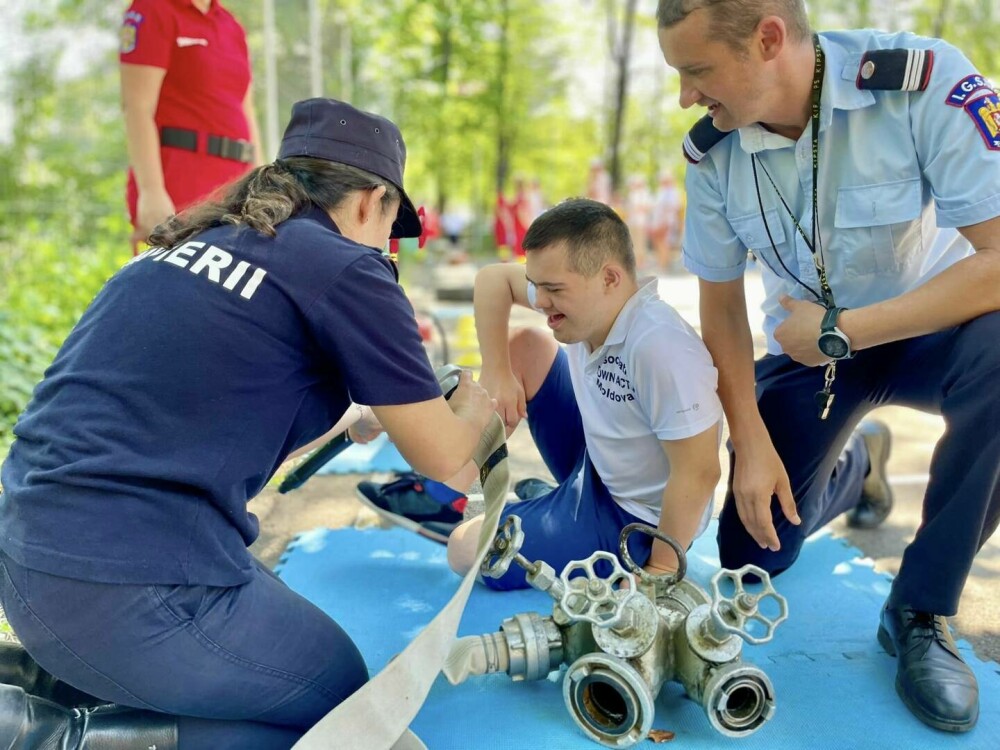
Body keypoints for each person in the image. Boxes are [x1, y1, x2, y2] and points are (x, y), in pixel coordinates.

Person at [0, 98, 495, 749]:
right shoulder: (348, 266)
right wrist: (482, 410)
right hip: (130, 591)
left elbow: (199, 408)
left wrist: (354, 416)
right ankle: (55, 737)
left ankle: (47, 687)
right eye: (391, 229)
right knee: (341, 707)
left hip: (28, 563)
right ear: (374, 201)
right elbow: (443, 457)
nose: (387, 247)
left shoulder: (184, 249)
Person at [656, 0, 1000, 733]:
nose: (687, 95)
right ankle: (854, 470)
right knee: (755, 556)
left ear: (768, 39)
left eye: (697, 71)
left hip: (936, 326)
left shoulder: (922, 82)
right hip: (813, 355)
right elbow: (720, 310)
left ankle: (921, 609)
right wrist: (747, 442)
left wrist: (845, 329)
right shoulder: (713, 154)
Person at [363, 198, 725, 587]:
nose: (540, 301)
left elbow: (701, 471)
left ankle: (559, 508)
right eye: (535, 286)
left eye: (552, 289)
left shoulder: (661, 347)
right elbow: (493, 280)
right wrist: (498, 370)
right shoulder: (594, 304)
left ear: (610, 278)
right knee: (529, 346)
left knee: (463, 549)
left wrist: (659, 571)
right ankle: (444, 494)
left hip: (632, 521)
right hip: (598, 464)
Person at [120, 0, 264, 254]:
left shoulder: (231, 25)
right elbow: (137, 108)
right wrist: (151, 191)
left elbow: (246, 111)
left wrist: (261, 183)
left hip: (236, 186)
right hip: (180, 185)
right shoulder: (152, 9)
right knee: (178, 289)